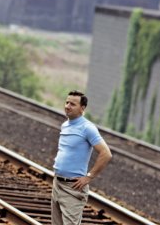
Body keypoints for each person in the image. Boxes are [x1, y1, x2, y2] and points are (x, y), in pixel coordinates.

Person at [51, 90, 112, 225]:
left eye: (72, 104)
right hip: (57, 183)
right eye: (67, 102)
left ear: (82, 108)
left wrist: (89, 176)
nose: (67, 106)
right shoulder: (65, 125)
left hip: (73, 187)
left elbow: (106, 153)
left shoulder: (87, 128)